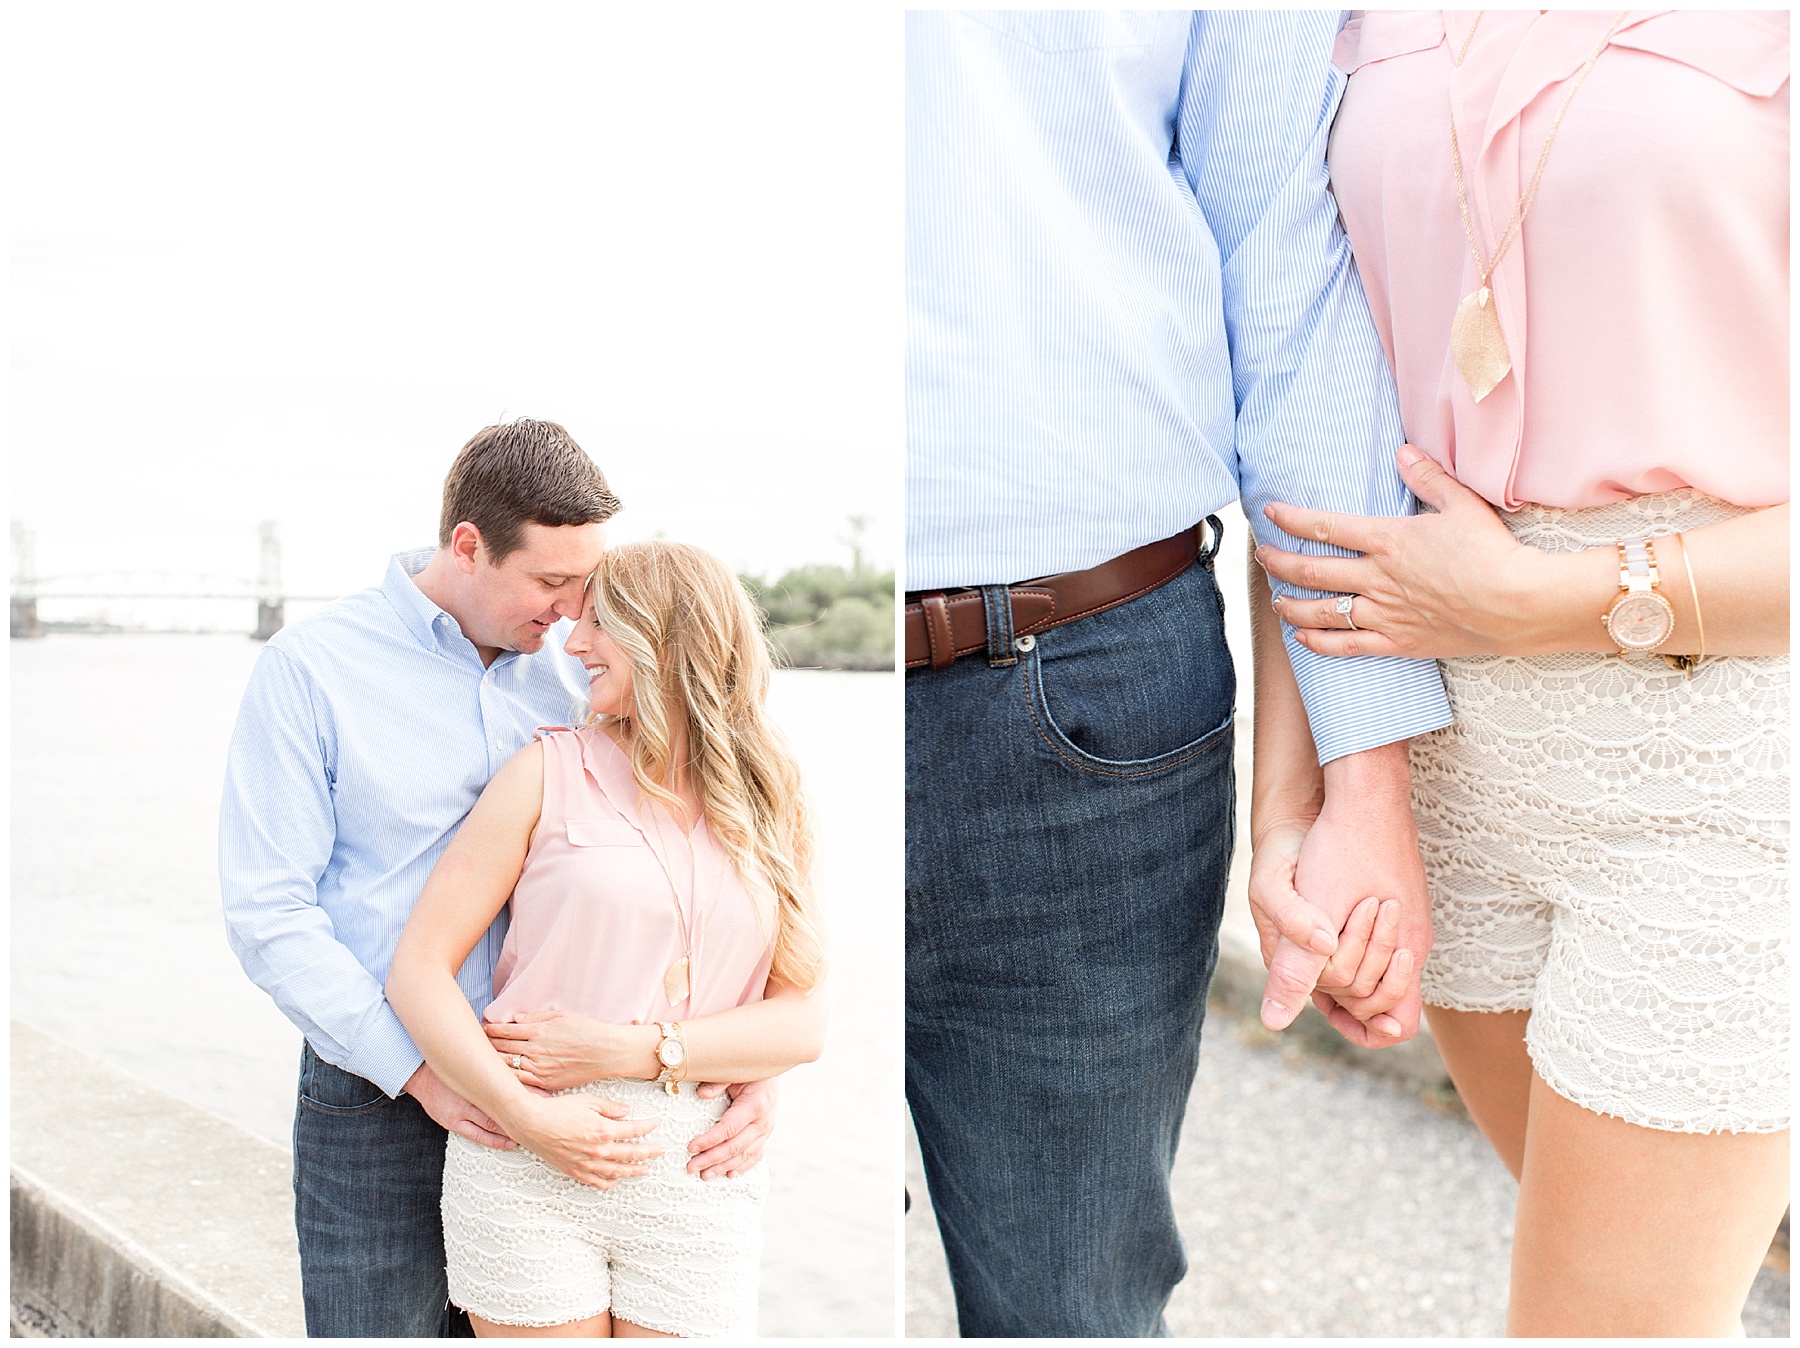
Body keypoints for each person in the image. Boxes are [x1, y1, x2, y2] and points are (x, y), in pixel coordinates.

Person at [904, 12, 1458, 1337]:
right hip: (735, 685)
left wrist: (1358, 779)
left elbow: (1294, 286)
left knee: (1080, 1305)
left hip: (1093, 682)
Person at [1249, 10, 1788, 1335]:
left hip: (1710, 741)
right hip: (1438, 766)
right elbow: (1307, 420)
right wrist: (1295, 803)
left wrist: (1551, 602)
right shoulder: (1354, 19)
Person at [219, 420, 779, 1337]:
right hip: (380, 1092)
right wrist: (426, 1077)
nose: (569, 614)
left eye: (584, 589)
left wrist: (747, 1067)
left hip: (570, 1093)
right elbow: (268, 915)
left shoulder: (582, 675)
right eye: (551, 584)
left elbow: (699, 885)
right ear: (468, 547)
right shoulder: (310, 670)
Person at [386, 540, 827, 1338]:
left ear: (668, 635)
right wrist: (524, 1117)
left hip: (701, 1168)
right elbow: (418, 970)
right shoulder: (543, 773)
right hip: (530, 1166)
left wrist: (634, 1052)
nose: (573, 643)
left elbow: (802, 1021)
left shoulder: (773, 798)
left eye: (597, 624)